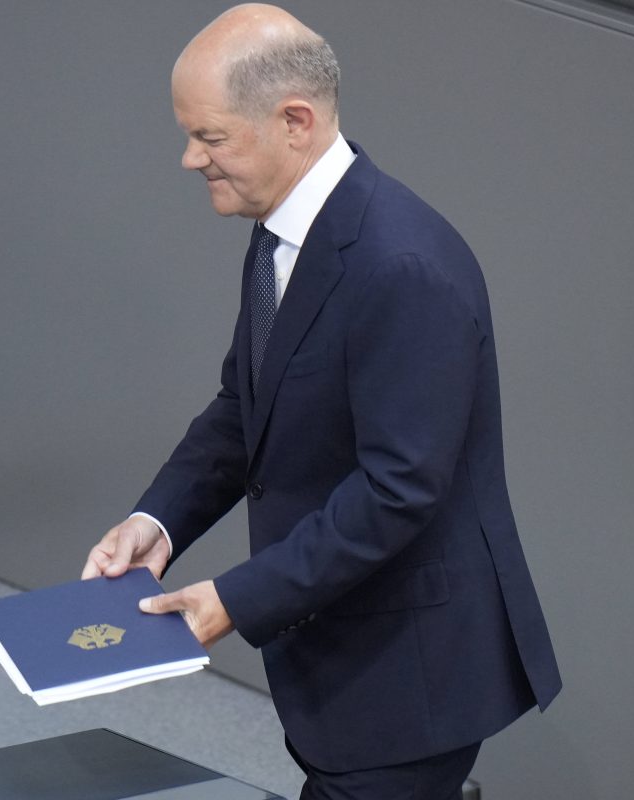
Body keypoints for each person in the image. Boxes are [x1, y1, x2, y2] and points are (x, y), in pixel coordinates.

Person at [82, 4, 561, 797]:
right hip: (343, 658)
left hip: (408, 679)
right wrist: (156, 523)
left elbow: (397, 490)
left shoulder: (401, 266)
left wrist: (236, 597)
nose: (189, 159)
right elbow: (245, 406)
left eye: (210, 137)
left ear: (294, 121)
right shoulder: (281, 234)